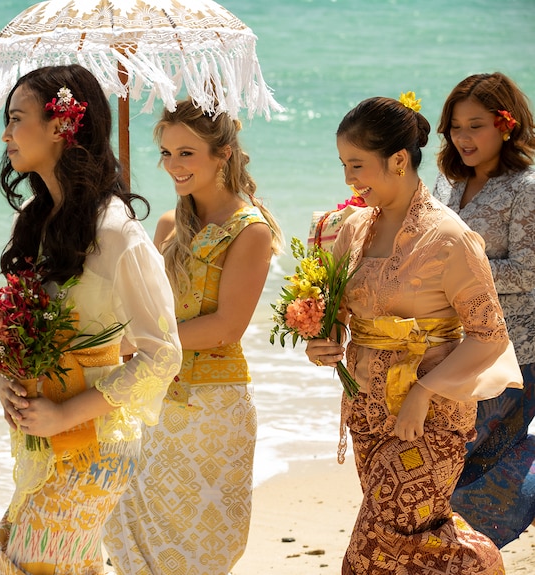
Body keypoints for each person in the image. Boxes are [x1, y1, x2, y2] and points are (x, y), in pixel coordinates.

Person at [306, 94, 522, 574]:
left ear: (399, 160)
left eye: (358, 165)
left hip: (431, 421)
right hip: (366, 413)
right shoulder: (352, 230)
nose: (349, 179)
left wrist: (424, 392)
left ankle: (480, 563)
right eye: (344, 165)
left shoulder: (451, 238)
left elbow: (488, 336)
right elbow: (339, 316)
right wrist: (322, 343)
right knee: (406, 544)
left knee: (368, 555)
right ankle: (475, 564)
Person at [0, 64, 182, 574]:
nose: (5, 134)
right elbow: (13, 328)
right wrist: (3, 379)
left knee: (25, 565)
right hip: (40, 437)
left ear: (61, 125)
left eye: (16, 118)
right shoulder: (33, 221)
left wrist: (66, 416)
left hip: (94, 443)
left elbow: (163, 354)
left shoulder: (117, 231)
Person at [103, 101, 282, 573]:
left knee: (197, 548)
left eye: (186, 153)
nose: (172, 166)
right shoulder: (166, 225)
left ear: (222, 153)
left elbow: (227, 327)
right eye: (165, 153)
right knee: (133, 530)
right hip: (152, 396)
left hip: (212, 407)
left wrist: (138, 343)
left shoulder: (251, 230)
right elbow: (148, 309)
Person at [433, 72, 535, 547]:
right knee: (449, 459)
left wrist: (460, 272)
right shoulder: (446, 184)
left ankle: (469, 552)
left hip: (514, 352)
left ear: (506, 125)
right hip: (455, 348)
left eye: (475, 125)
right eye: (455, 127)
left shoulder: (526, 187)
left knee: (480, 465)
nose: (463, 138)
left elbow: (528, 272)